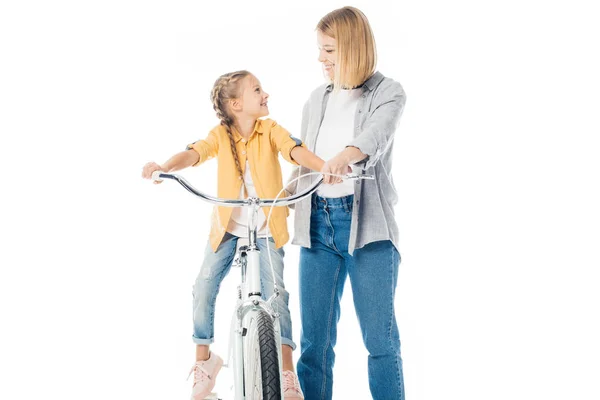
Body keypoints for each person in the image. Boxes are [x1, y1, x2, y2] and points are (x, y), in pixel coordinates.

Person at [142, 70, 324, 400]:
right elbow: (194, 153)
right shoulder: (220, 135)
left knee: (276, 297)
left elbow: (293, 149)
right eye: (257, 90)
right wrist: (164, 167)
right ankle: (205, 361)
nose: (265, 94)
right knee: (204, 284)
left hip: (267, 224)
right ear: (236, 104)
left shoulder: (270, 130)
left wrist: (322, 166)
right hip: (229, 227)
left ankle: (286, 372)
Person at [287, 7, 407, 400]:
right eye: (320, 50)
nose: (321, 59)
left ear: (353, 49)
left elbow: (376, 134)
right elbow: (305, 159)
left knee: (381, 344)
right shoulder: (316, 99)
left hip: (367, 230)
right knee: (314, 346)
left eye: (329, 50)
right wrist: (283, 196)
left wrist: (344, 156)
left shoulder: (387, 92)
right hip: (317, 226)